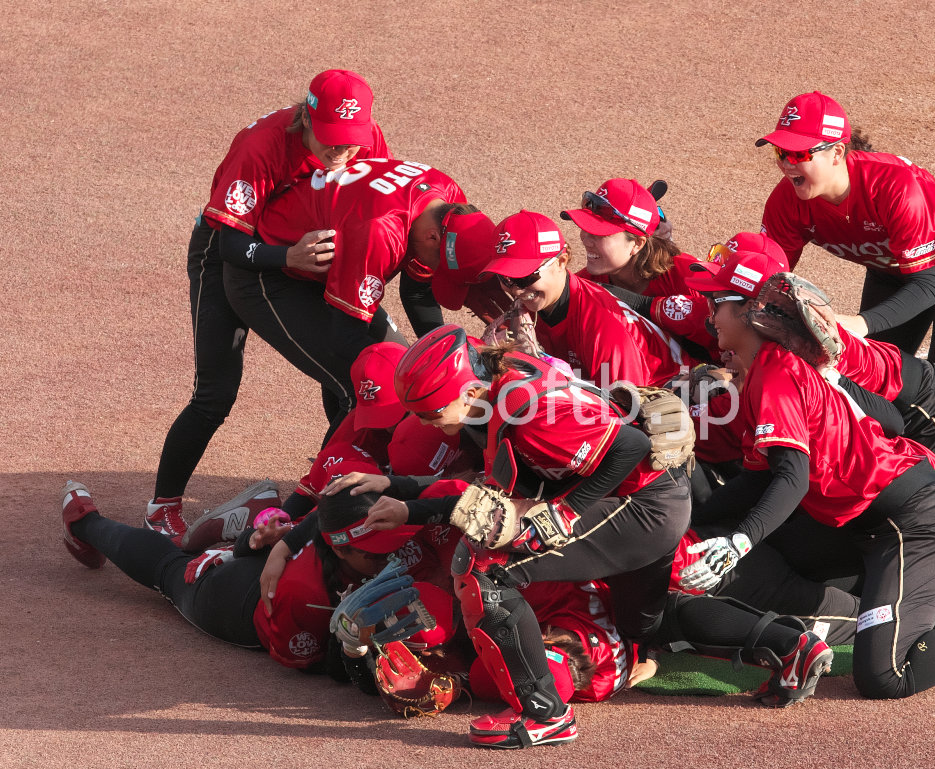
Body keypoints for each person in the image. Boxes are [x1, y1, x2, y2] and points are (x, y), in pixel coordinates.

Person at [339, 324, 833, 749]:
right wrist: (402, 493)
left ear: (468, 393)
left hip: (639, 507)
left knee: (482, 569)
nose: (426, 423)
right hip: (648, 500)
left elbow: (630, 446)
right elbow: (499, 488)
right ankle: (791, 645)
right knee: (643, 620)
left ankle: (544, 714)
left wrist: (566, 512)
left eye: (429, 412)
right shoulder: (502, 384)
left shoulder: (528, 412)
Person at [678, 233, 935, 698]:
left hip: (914, 523)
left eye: (718, 302)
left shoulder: (776, 374)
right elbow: (758, 477)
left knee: (884, 676)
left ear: (750, 311)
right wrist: (691, 522)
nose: (709, 315)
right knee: (915, 612)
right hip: (871, 526)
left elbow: (791, 477)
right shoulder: (769, 371)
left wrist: (739, 541)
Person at [148, 69, 392, 538]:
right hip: (229, 254)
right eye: (330, 141)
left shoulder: (366, 140)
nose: (341, 153)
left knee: (345, 372)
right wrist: (288, 255)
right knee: (215, 393)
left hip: (312, 255)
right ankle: (161, 507)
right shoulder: (261, 147)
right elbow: (228, 247)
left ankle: (324, 499)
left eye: (351, 141)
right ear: (305, 117)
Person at [756, 91, 935, 458]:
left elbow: (926, 286)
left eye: (799, 154)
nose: (787, 164)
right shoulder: (787, 202)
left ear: (836, 153)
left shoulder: (893, 186)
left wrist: (859, 324)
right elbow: (766, 273)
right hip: (893, 270)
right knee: (877, 383)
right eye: (781, 153)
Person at [59, 480, 428, 676]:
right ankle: (84, 519)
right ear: (343, 550)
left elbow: (328, 509)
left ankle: (251, 529)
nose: (388, 556)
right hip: (236, 602)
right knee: (168, 568)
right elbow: (300, 661)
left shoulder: (342, 528)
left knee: (261, 540)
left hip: (278, 548)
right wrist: (353, 649)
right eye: (375, 552)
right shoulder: (303, 594)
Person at [225, 158, 470, 441]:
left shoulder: (446, 205)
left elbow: (417, 291)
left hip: (330, 268)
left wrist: (442, 360)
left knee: (397, 378)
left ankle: (363, 467)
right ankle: (324, 479)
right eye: (442, 264)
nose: (439, 272)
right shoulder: (382, 231)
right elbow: (346, 338)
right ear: (433, 238)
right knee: (374, 389)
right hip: (271, 274)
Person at [480, 210, 696, 388]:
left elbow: (629, 420)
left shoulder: (605, 328)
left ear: (562, 261)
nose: (516, 290)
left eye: (527, 276)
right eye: (505, 278)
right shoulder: (530, 311)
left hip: (673, 404)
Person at [559, 178, 716, 360]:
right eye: (585, 228)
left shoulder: (691, 278)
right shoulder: (582, 285)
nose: (585, 240)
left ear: (637, 243)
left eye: (599, 234)